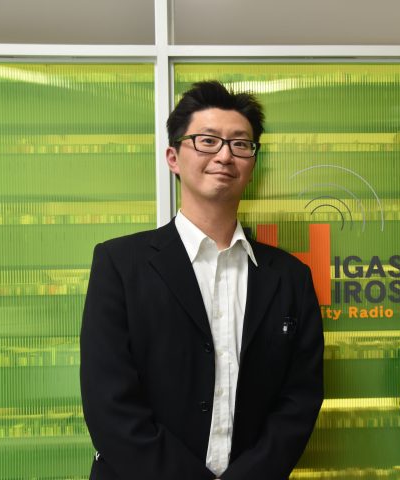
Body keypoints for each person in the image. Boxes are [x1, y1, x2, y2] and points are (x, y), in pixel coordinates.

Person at [80, 81, 324, 480]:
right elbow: (109, 404)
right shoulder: (120, 264)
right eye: (207, 141)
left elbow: (299, 401)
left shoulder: (290, 277)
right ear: (173, 157)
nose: (225, 155)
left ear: (253, 164)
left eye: (240, 144)